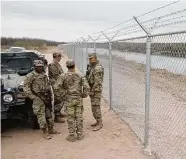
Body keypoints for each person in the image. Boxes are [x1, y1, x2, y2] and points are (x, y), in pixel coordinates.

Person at [23, 60, 60, 140]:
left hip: (46, 97)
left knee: (49, 114)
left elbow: (47, 86)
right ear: (34, 66)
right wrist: (33, 97)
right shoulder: (30, 76)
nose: (40, 67)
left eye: (41, 66)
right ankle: (45, 132)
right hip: (38, 98)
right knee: (41, 116)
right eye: (38, 66)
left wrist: (50, 96)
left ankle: (51, 129)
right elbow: (26, 88)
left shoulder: (43, 75)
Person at [54, 59, 90, 142]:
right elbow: (87, 87)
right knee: (79, 116)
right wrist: (84, 95)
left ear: (67, 66)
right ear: (74, 65)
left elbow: (56, 87)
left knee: (70, 117)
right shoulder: (80, 75)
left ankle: (71, 135)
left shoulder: (63, 76)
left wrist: (63, 95)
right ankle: (80, 134)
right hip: (78, 99)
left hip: (68, 99)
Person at [86, 53, 104, 131]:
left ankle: (100, 123)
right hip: (92, 88)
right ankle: (97, 121)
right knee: (93, 106)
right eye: (89, 58)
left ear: (95, 58)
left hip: (96, 90)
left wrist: (92, 91)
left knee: (96, 106)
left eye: (91, 58)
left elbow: (97, 82)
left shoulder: (98, 68)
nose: (89, 60)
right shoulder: (91, 66)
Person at [48, 52, 65, 123]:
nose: (60, 58)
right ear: (56, 57)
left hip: (59, 84)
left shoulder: (57, 64)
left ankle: (58, 112)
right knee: (59, 99)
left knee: (60, 99)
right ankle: (57, 116)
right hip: (56, 85)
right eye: (60, 57)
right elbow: (57, 76)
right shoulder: (52, 65)